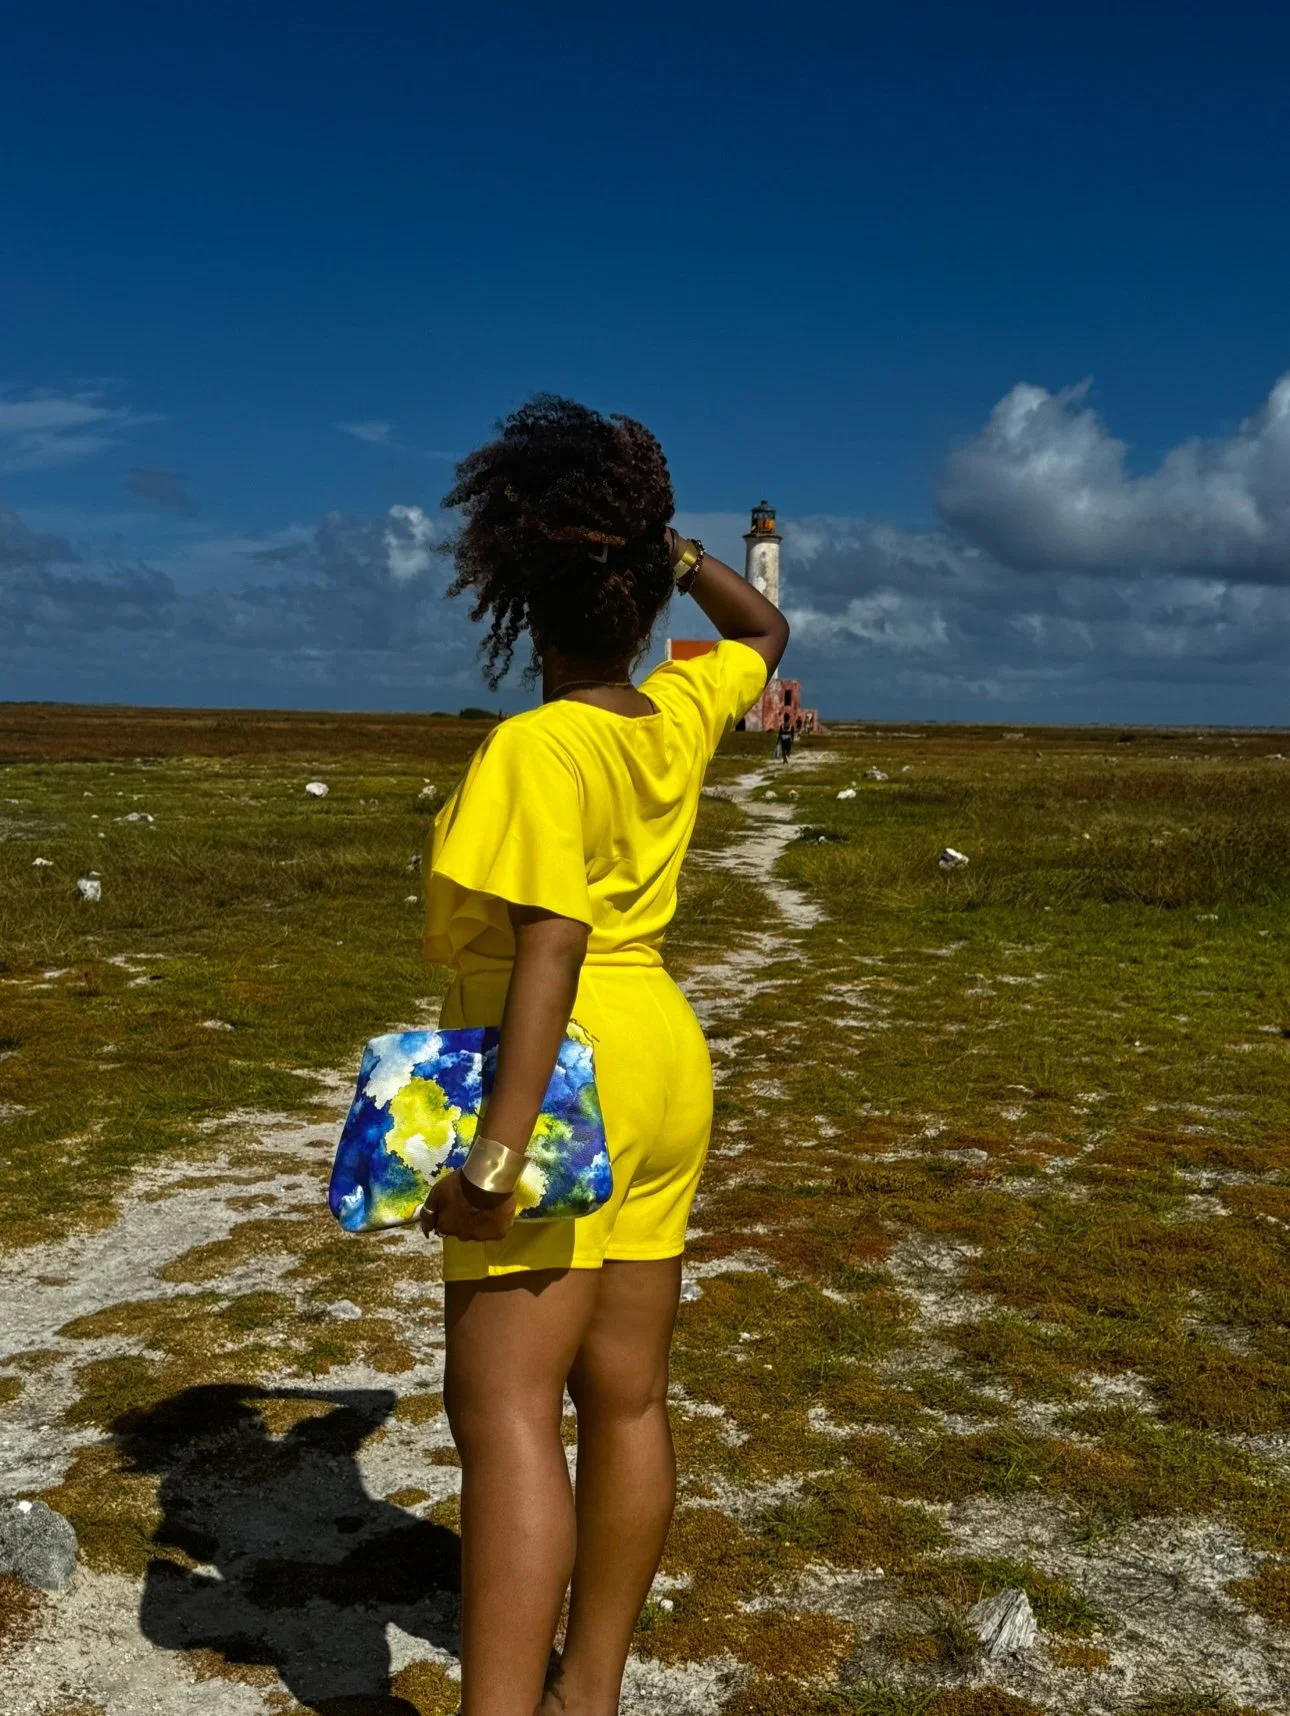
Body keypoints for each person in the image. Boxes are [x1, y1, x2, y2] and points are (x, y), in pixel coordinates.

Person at [418, 395, 788, 1716]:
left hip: (558, 1069)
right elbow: (765, 631)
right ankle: (590, 1694)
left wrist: (495, 1161)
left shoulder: (534, 746)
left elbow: (548, 953)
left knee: (507, 1414)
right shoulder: (671, 715)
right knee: (626, 1403)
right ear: (635, 589)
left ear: (515, 588)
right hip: (664, 1061)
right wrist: (672, 546)